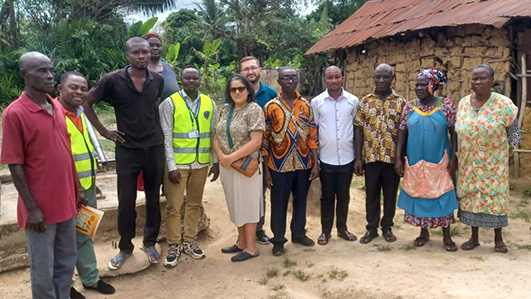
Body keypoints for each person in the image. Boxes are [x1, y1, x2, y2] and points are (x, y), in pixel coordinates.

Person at [1, 52, 79, 298]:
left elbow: (66, 152)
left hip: (67, 202)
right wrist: (32, 207)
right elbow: (15, 164)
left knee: (66, 261)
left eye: (51, 70)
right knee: (43, 270)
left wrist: (78, 191)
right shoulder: (14, 114)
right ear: (24, 73)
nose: (49, 75)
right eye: (41, 71)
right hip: (40, 210)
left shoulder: (55, 105)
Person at [83, 37, 165, 269]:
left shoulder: (157, 80)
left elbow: (151, 107)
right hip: (127, 150)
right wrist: (104, 131)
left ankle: (150, 242)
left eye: (145, 52)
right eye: (136, 52)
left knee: (152, 197)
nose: (142, 56)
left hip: (154, 146)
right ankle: (125, 246)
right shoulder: (112, 80)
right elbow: (87, 103)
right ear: (127, 54)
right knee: (126, 200)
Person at [56, 71, 116, 298]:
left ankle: (90, 278)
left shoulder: (80, 112)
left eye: (83, 88)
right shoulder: (53, 114)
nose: (79, 92)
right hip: (65, 189)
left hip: (87, 185)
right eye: (74, 87)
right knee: (63, 239)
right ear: (59, 89)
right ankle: (65, 285)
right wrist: (76, 188)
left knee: (84, 232)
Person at [159, 66, 219, 267]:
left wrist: (215, 162)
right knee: (174, 207)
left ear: (200, 79)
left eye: (195, 78)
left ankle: (190, 241)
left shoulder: (210, 103)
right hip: (178, 165)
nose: (191, 81)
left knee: (194, 204)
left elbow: (213, 136)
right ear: (181, 79)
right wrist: (171, 166)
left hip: (201, 164)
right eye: (187, 78)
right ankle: (174, 244)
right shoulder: (170, 103)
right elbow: (166, 137)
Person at [455, 64, 520, 253]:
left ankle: (498, 240)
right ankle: (473, 238)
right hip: (468, 163)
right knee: (471, 198)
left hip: (494, 164)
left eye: (483, 78)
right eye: (475, 78)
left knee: (495, 199)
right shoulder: (464, 103)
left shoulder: (504, 104)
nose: (478, 82)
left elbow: (513, 133)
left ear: (492, 80)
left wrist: (510, 149)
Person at [395, 69, 459, 252]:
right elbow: (402, 133)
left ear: (435, 86)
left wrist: (454, 157)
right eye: (417, 84)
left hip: (440, 159)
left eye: (423, 84)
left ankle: (447, 236)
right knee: (420, 192)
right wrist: (398, 158)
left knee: (442, 194)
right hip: (415, 159)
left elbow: (454, 132)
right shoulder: (409, 107)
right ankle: (424, 233)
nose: (418, 88)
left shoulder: (445, 105)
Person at [262, 67, 320, 256]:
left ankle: (299, 233)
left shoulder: (305, 105)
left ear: (297, 80)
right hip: (278, 164)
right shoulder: (271, 106)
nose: (290, 81)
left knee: (300, 200)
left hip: (303, 163)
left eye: (293, 77)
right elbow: (265, 138)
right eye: (285, 78)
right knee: (278, 203)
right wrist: (266, 170)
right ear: (279, 81)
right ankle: (278, 240)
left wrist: (315, 162)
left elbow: (312, 133)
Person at [213, 74, 265, 261]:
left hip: (245, 166)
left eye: (241, 88)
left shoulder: (254, 110)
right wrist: (221, 157)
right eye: (233, 89)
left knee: (248, 205)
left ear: (248, 90)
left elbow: (256, 141)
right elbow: (216, 134)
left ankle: (251, 247)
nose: (237, 92)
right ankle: (241, 242)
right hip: (228, 166)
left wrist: (230, 158)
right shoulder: (226, 109)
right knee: (235, 204)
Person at [354, 63, 406, 244]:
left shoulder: (400, 102)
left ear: (393, 78)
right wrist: (358, 158)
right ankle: (371, 228)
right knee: (371, 194)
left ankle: (387, 227)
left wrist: (399, 158)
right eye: (378, 77)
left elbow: (402, 131)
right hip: (371, 157)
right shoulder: (365, 101)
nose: (382, 80)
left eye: (386, 77)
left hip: (392, 159)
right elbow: (358, 130)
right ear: (373, 78)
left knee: (391, 194)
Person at [311, 66, 359, 245]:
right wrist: (315, 161)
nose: (333, 81)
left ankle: (342, 228)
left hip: (347, 158)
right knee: (327, 196)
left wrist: (358, 158)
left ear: (342, 78)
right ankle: (325, 231)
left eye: (336, 77)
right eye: (329, 77)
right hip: (326, 158)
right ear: (325, 80)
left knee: (344, 195)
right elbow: (314, 131)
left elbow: (356, 129)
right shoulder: (317, 102)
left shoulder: (353, 101)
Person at [239, 56, 277, 244]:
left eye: (253, 68)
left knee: (259, 193)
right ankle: (243, 233)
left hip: (264, 154)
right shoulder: (236, 92)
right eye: (246, 69)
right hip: (241, 154)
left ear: (260, 70)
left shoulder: (270, 93)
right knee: (241, 193)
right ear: (241, 73)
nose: (250, 72)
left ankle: (259, 229)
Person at [143, 33, 181, 104]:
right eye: (151, 45)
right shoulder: (138, 70)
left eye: (158, 45)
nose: (155, 48)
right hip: (150, 114)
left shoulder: (169, 67)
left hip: (173, 112)